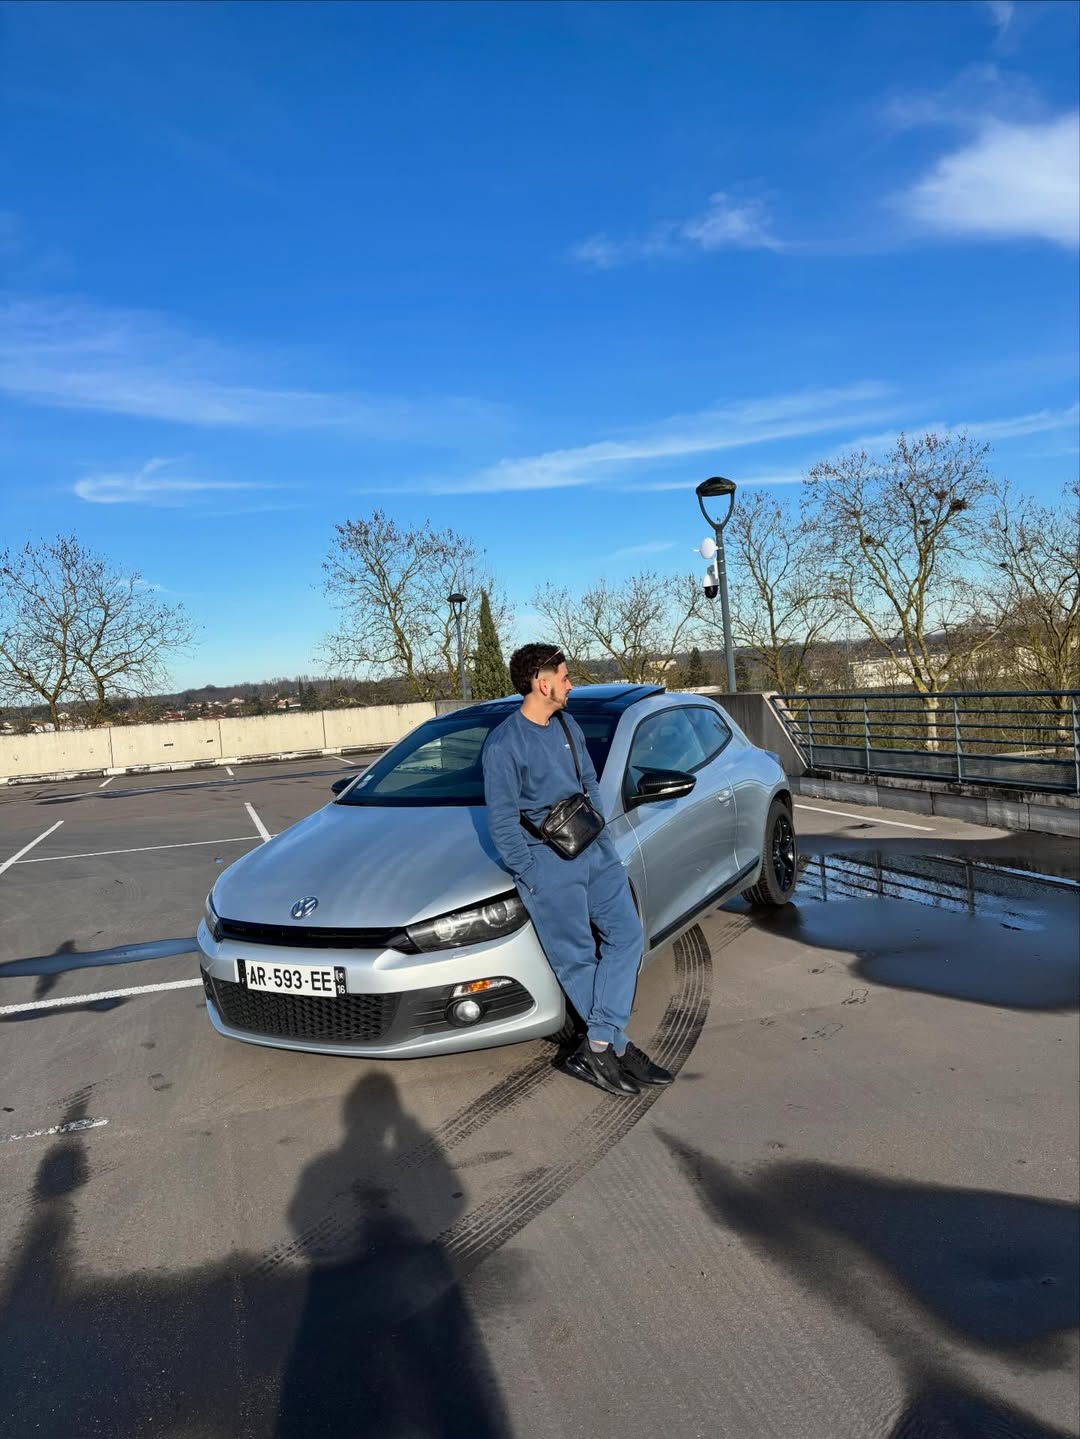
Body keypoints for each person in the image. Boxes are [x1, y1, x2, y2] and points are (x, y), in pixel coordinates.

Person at [481, 643, 673, 1097]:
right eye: (564, 678)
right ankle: (613, 1047)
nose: (571, 685)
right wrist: (532, 873)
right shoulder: (504, 744)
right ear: (542, 684)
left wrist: (602, 836)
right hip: (548, 864)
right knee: (578, 958)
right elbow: (502, 822)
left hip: (594, 850)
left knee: (627, 936)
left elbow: (588, 781)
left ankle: (602, 1042)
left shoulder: (567, 725)